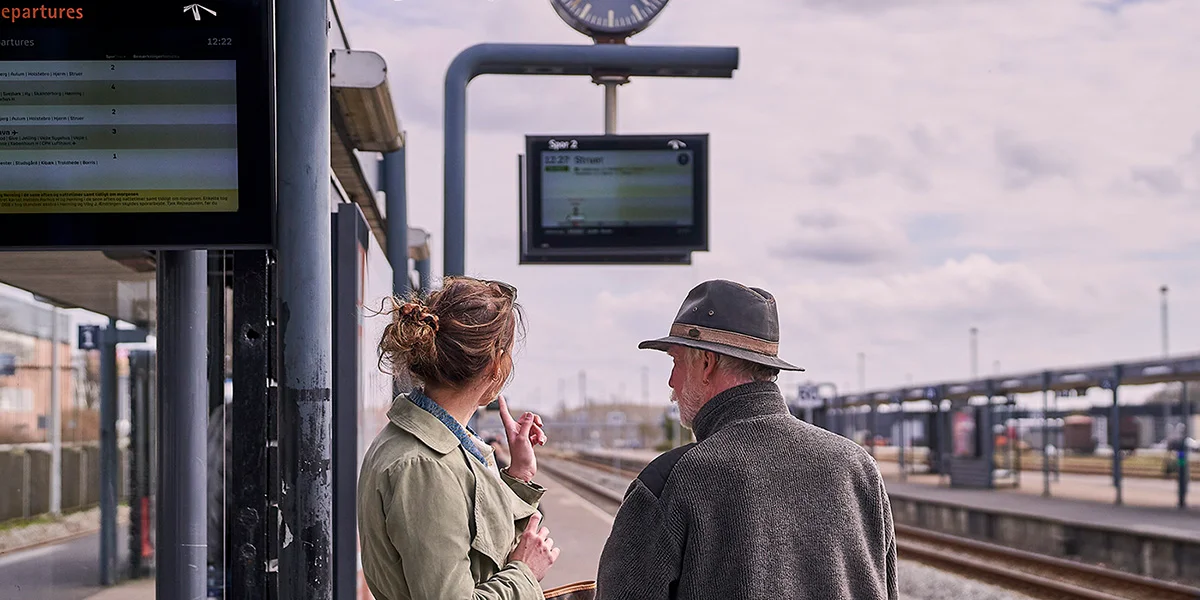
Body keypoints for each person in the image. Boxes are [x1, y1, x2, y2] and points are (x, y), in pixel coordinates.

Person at [596, 279, 898, 600]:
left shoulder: (673, 480)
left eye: (676, 361)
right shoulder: (858, 468)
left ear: (707, 364)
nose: (672, 381)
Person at [357, 277, 560, 600]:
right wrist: (525, 573)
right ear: (496, 365)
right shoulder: (424, 466)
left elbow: (478, 547)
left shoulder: (441, 446)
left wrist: (519, 474)